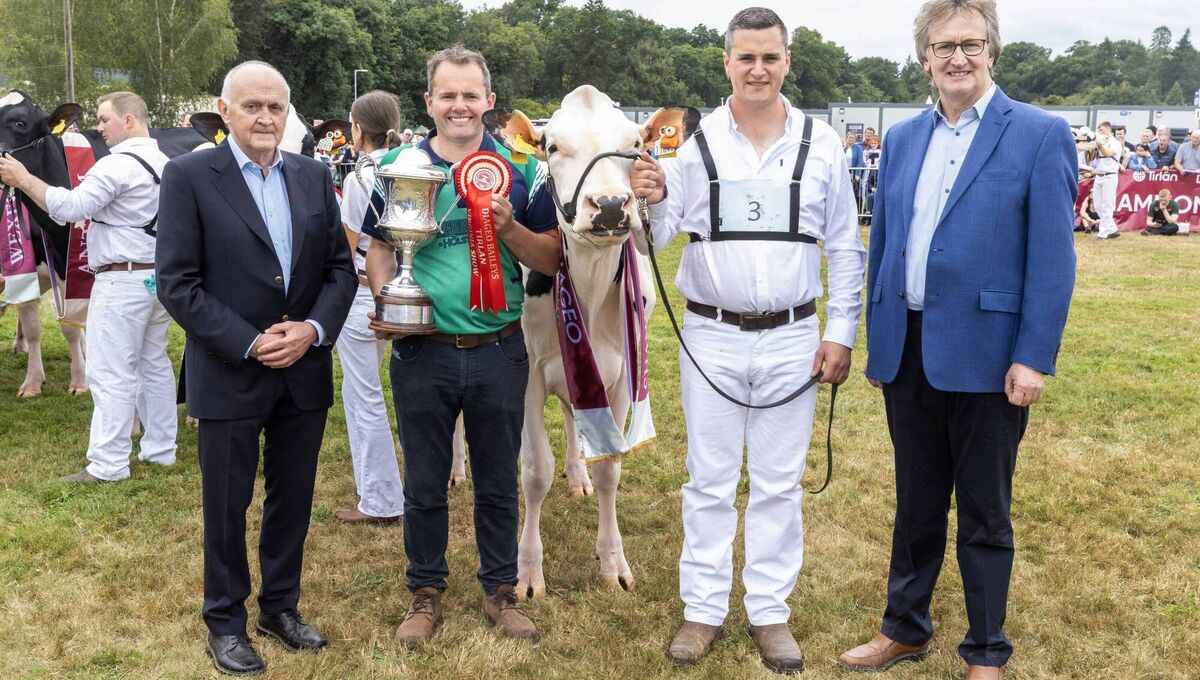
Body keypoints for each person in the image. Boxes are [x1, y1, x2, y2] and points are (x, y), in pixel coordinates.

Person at [841, 2, 1076, 678]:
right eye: (943, 46)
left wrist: (1032, 355)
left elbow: (1054, 260)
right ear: (924, 57)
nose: (958, 58)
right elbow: (884, 242)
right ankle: (904, 628)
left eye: (971, 44)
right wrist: (881, 341)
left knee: (983, 509)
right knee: (915, 503)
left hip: (991, 357)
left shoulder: (1038, 134)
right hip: (909, 351)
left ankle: (985, 649)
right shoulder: (906, 137)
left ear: (993, 51)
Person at [632, 7, 864, 674]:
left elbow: (845, 247)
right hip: (712, 333)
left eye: (770, 57)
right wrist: (649, 194)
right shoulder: (694, 144)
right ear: (727, 63)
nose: (757, 69)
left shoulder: (822, 142)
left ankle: (769, 612)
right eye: (745, 58)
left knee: (777, 484)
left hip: (794, 334)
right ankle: (702, 609)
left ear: (787, 61)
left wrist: (840, 332)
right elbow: (663, 232)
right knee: (707, 481)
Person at [155, 61, 357, 676]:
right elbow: (177, 283)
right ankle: (225, 620)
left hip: (303, 369)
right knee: (227, 502)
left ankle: (281, 606)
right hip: (229, 368)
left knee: (292, 498)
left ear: (287, 112)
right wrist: (248, 342)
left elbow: (338, 271)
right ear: (226, 109)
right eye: (252, 107)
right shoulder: (189, 176)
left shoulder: (314, 175)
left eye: (275, 107)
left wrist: (313, 330)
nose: (265, 118)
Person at [362, 45, 559, 648]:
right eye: (447, 94)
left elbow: (552, 258)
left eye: (471, 94)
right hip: (423, 352)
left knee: (498, 479)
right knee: (424, 480)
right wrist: (387, 303)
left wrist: (508, 227)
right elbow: (377, 247)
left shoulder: (521, 170)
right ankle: (426, 592)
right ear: (429, 102)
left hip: (500, 348)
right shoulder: (397, 166)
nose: (459, 105)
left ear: (489, 102)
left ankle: (499, 591)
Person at [0, 91, 177, 483]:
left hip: (121, 279)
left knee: (110, 372)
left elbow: (69, 209)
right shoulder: (164, 162)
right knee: (153, 365)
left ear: (128, 121)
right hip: (156, 277)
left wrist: (23, 179)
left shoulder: (115, 166)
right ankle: (161, 450)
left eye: (104, 119)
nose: (98, 127)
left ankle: (108, 464)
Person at [333, 91, 407, 524]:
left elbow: (346, 246)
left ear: (358, 129)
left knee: (364, 396)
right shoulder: (413, 164)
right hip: (407, 286)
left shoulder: (363, 177)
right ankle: (379, 489)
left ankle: (380, 499)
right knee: (372, 391)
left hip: (365, 288)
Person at [1091, 121, 1122, 240]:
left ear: (1109, 129)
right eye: (1098, 130)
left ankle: (1103, 234)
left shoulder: (1116, 143)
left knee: (1107, 205)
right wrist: (1092, 146)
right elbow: (1090, 159)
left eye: (1102, 130)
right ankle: (1113, 229)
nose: (1100, 132)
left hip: (1110, 175)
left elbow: (1108, 153)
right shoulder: (1099, 143)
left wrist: (1099, 144)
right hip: (1098, 175)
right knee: (1098, 205)